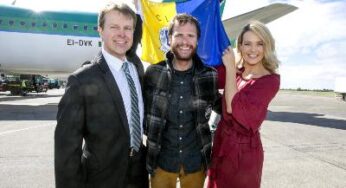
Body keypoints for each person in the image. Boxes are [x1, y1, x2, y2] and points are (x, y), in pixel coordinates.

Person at [54, 2, 148, 188]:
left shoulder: (136, 70)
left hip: (138, 175)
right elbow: (66, 150)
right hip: (102, 179)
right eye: (114, 27)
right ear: (100, 30)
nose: (122, 34)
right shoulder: (81, 80)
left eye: (127, 28)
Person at [144, 13, 220, 188]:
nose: (184, 41)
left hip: (195, 164)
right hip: (161, 163)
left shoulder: (209, 76)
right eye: (179, 35)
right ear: (169, 38)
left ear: (197, 40)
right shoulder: (153, 73)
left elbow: (224, 107)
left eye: (190, 36)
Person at [207, 21, 280, 188]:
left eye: (259, 43)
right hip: (221, 144)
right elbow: (208, 75)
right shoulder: (238, 72)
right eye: (247, 44)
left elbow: (234, 106)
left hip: (243, 156)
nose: (253, 50)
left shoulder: (270, 81)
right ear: (240, 46)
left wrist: (231, 67)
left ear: (267, 46)